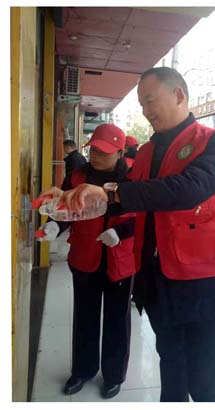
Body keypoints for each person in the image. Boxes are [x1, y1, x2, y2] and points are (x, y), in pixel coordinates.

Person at [51, 67, 215, 402]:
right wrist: (70, 202)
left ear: (179, 95)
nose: (145, 111)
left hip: (206, 286)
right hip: (157, 284)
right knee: (171, 373)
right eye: (141, 104)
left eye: (150, 101)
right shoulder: (146, 152)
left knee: (207, 386)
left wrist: (112, 194)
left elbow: (189, 188)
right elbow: (125, 196)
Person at [38, 124, 135, 399]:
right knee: (85, 317)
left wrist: (120, 232)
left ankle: (114, 376)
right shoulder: (77, 176)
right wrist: (55, 225)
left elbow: (145, 216)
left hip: (119, 258)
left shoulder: (133, 178)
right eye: (94, 150)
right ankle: (83, 370)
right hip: (85, 257)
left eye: (104, 152)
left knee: (117, 319)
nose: (96, 156)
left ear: (120, 152)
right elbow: (65, 209)